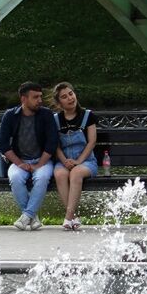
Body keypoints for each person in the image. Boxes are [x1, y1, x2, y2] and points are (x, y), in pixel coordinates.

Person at [0, 80, 59, 230]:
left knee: (42, 177)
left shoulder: (46, 114)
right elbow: (3, 143)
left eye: (40, 97)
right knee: (15, 178)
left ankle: (26, 216)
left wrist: (39, 164)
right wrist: (20, 163)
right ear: (23, 99)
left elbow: (52, 142)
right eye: (35, 97)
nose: (40, 100)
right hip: (20, 161)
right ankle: (32, 217)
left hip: (42, 161)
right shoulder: (10, 115)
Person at [49, 81, 98, 232]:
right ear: (59, 103)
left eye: (71, 94)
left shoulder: (88, 116)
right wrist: (64, 161)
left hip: (86, 161)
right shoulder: (56, 119)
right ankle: (74, 217)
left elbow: (92, 141)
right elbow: (55, 145)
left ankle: (68, 217)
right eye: (64, 97)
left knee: (76, 173)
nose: (70, 98)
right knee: (59, 173)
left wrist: (78, 161)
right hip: (64, 160)